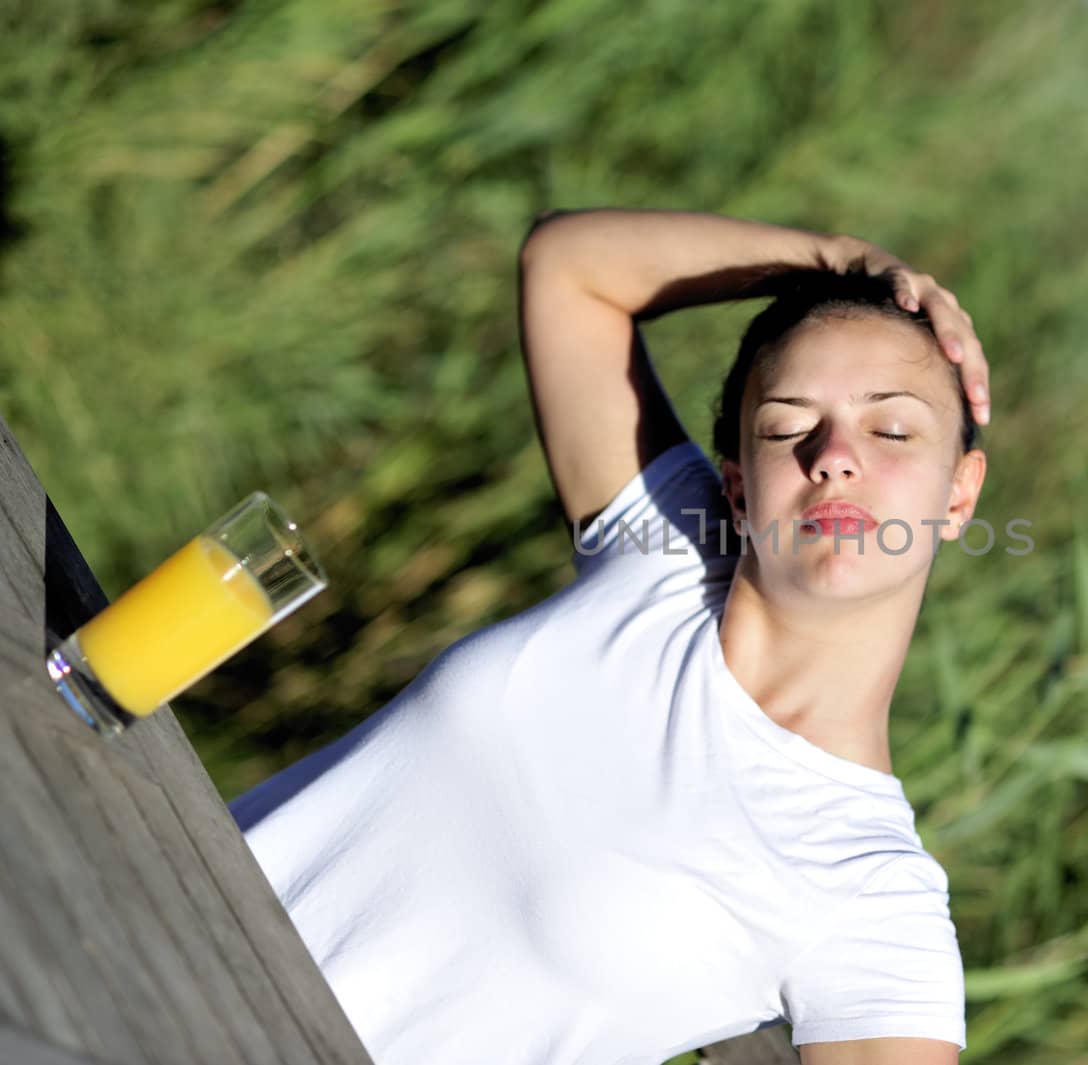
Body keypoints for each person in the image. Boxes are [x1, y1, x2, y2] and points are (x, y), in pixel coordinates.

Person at [229, 208, 991, 1065]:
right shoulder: (664, 550)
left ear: (959, 495)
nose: (834, 455)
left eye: (890, 429)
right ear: (738, 491)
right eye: (786, 426)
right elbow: (571, 268)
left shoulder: (869, 887)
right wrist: (841, 261)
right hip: (119, 922)